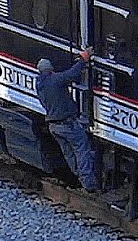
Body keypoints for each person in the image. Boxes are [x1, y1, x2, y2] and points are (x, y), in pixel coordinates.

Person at [36, 47, 100, 192]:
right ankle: (89, 184)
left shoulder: (40, 85)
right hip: (67, 124)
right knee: (82, 150)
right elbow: (72, 74)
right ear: (50, 69)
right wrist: (84, 58)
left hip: (53, 126)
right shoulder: (55, 80)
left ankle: (78, 177)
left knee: (69, 154)